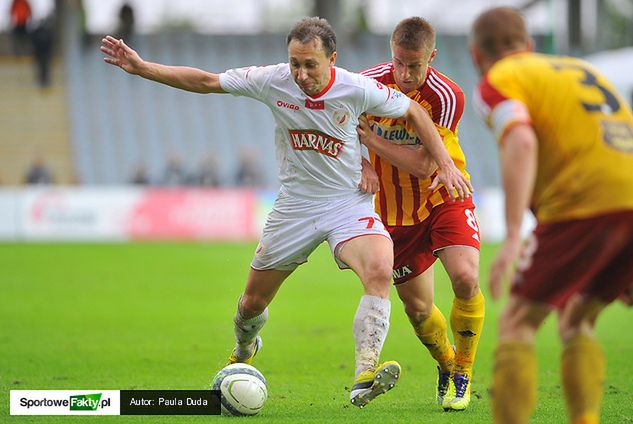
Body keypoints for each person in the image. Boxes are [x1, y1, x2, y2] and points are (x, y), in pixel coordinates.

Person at [101, 17, 472, 408]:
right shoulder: (271, 80)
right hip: (295, 206)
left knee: (379, 268)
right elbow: (207, 81)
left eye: (310, 64)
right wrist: (143, 68)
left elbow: (414, 112)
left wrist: (445, 163)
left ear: (332, 58)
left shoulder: (357, 87)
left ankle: (365, 372)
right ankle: (244, 348)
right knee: (250, 306)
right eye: (295, 63)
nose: (301, 73)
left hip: (347, 203)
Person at [470, 7, 633, 424]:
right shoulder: (580, 68)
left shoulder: (499, 80)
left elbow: (520, 140)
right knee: (578, 316)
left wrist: (511, 236)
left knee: (518, 321)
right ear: (529, 45)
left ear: (475, 55)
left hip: (582, 202)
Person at [357, 17, 483, 411]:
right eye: (399, 63)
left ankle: (462, 372)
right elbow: (341, 128)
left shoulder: (446, 96)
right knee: (418, 309)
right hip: (394, 214)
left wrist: (372, 140)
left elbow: (426, 166)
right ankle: (446, 363)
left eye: (415, 65)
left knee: (465, 276)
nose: (405, 73)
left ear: (433, 57)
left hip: (444, 194)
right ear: (390, 54)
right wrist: (360, 160)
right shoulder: (366, 84)